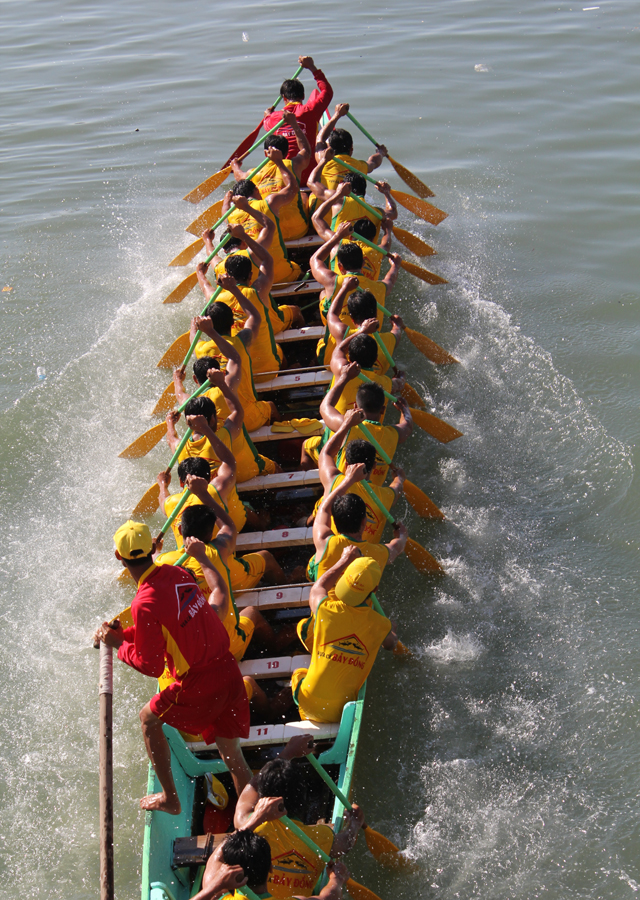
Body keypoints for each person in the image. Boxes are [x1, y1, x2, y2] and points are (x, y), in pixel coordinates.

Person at [93, 520, 252, 812]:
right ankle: (254, 819)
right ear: (154, 548)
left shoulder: (143, 603)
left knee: (147, 719)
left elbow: (150, 665)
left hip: (200, 682)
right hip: (229, 671)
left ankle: (170, 798)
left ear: (119, 557)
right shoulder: (178, 572)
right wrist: (124, 634)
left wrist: (117, 645)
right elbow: (171, 628)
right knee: (232, 755)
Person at [234, 735, 364, 899]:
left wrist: (287, 753)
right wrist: (354, 823)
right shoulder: (321, 836)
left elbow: (246, 796)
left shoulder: (251, 827)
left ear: (264, 798)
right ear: (303, 799)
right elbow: (346, 842)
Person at [292, 548, 398, 723]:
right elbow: (391, 644)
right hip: (343, 711)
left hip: (308, 702)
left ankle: (307, 718)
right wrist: (392, 629)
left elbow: (317, 588)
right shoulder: (380, 625)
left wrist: (344, 559)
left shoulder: (325, 609)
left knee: (298, 673)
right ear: (375, 589)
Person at [301, 362, 412, 482]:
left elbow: (325, 407)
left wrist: (345, 377)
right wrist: (404, 409)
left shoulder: (346, 426)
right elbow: (408, 426)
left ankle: (307, 484)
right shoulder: (394, 434)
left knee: (306, 445)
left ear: (355, 406)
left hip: (343, 487)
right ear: (382, 410)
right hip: (372, 495)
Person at [308, 408, 405, 544]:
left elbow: (326, 453)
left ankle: (306, 521)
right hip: (365, 555)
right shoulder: (385, 497)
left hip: (333, 544)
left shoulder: (334, 480)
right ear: (374, 465)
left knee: (320, 507)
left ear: (346, 463)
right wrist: (399, 477)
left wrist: (347, 424)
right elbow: (397, 488)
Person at [197, 828, 349, 900]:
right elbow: (330, 897)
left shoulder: (217, 896)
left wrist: (215, 886)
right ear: (271, 867)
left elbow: (215, 858)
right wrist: (337, 880)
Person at [167, 391, 279, 484]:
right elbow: (238, 412)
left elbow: (171, 438)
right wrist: (221, 383)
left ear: (188, 423)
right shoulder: (222, 436)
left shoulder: (180, 448)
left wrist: (170, 423)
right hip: (226, 489)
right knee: (275, 467)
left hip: (201, 500)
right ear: (212, 419)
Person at [232, 112, 311, 241]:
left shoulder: (253, 173)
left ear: (265, 153)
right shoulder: (293, 164)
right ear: (287, 152)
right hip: (299, 230)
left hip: (270, 233)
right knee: (304, 195)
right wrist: (294, 125)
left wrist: (235, 165)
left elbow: (238, 176)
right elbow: (306, 151)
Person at [309, 223, 401, 330]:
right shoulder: (380, 287)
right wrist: (395, 266)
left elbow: (315, 259)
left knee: (323, 294)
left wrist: (338, 235)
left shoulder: (331, 281)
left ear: (340, 266)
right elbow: (390, 280)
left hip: (336, 332)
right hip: (367, 340)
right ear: (363, 264)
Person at [263, 55, 333, 185]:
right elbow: (327, 91)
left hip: (285, 177)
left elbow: (266, 125)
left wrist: (267, 115)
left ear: (284, 98)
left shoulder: (274, 118)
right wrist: (312, 68)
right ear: (303, 96)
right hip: (311, 176)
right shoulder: (311, 110)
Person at [223, 175, 301, 285]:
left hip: (256, 281)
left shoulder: (230, 216)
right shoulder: (269, 202)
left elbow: (224, 212)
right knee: (297, 268)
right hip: (283, 276)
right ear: (256, 190)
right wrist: (279, 162)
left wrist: (226, 200)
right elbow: (293, 188)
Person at [307, 152, 397, 237]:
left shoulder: (338, 202)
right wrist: (386, 193)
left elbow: (311, 182)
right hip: (363, 251)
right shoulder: (375, 212)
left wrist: (324, 160)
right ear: (364, 191)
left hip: (337, 246)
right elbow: (393, 212)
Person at [314, 103, 386, 191]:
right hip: (351, 203)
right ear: (351, 150)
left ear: (329, 148)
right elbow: (374, 162)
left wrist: (337, 115)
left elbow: (319, 139)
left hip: (329, 201)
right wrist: (381, 153)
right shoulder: (359, 166)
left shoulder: (324, 161)